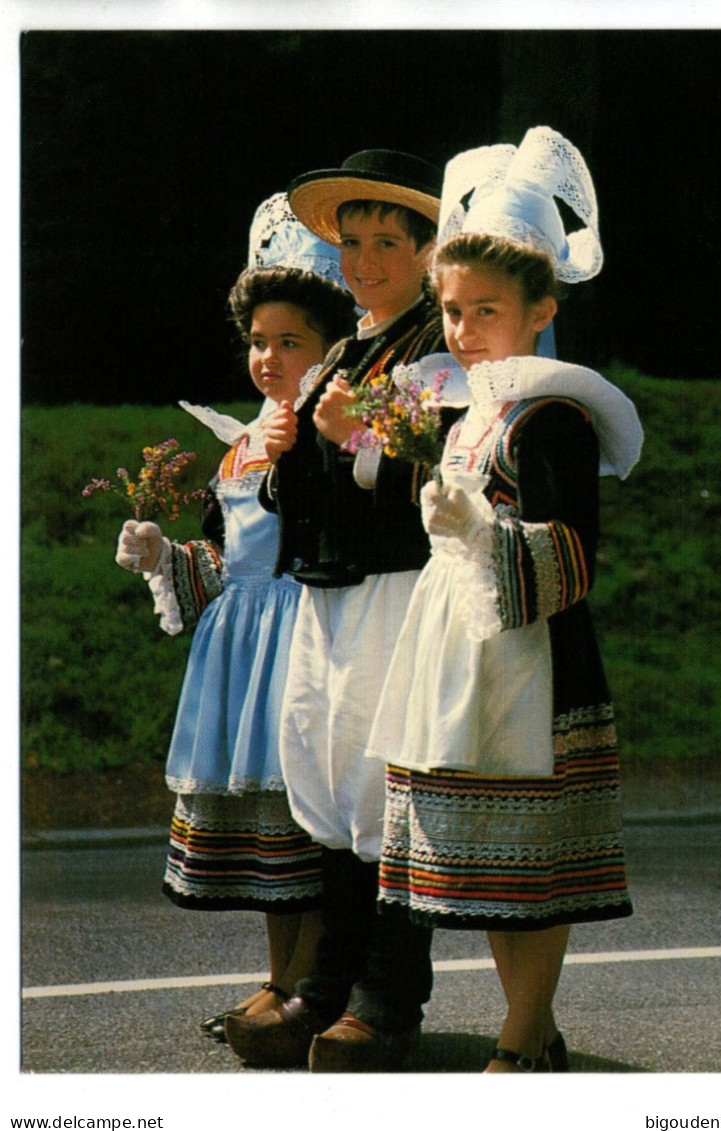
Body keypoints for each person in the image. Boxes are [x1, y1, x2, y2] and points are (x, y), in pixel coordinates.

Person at [364, 127, 644, 1072]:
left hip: (533, 651)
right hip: (461, 646)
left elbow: (571, 548)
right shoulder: (470, 406)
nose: (462, 328)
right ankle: (536, 1028)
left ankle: (525, 1032)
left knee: (534, 855)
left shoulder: (552, 412)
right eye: (450, 309)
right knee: (490, 859)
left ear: (539, 313)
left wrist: (480, 536)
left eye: (485, 309)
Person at [224, 149, 450, 1073]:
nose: (362, 261)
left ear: (429, 250)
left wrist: (351, 439)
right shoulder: (353, 344)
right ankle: (326, 987)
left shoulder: (437, 344)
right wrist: (282, 459)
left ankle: (387, 1000)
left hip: (395, 586)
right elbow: (302, 492)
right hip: (328, 588)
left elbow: (429, 479)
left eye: (386, 242)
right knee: (326, 780)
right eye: (351, 242)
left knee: (384, 790)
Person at [114, 192, 357, 1042]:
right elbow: (225, 559)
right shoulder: (240, 444)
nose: (269, 357)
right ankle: (279, 972)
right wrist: (164, 557)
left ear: (332, 348)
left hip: (302, 640)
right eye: (259, 340)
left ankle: (312, 983)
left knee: (304, 820)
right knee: (266, 835)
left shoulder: (328, 438)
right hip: (241, 655)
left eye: (291, 341)